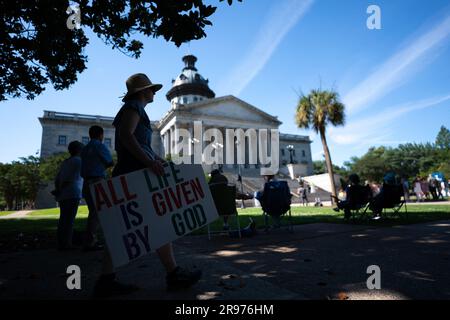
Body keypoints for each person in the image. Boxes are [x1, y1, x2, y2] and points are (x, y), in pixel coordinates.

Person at [92, 73, 201, 298]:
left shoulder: (137, 109)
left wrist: (158, 160)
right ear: (142, 92)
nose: (154, 93)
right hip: (134, 174)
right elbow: (125, 136)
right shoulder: (134, 107)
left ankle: (107, 280)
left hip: (134, 171)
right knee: (154, 222)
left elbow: (139, 143)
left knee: (125, 229)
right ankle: (173, 274)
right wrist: (150, 161)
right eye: (152, 89)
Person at [80, 125, 114, 251]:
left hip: (86, 181)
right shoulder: (99, 145)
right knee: (97, 212)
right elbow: (110, 162)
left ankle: (90, 240)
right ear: (101, 134)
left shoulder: (84, 149)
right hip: (97, 180)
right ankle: (90, 242)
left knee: (93, 212)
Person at [54, 141, 84, 250]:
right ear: (79, 150)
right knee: (69, 220)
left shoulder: (65, 162)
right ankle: (67, 244)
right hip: (72, 193)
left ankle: (61, 243)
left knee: (63, 219)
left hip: (63, 194)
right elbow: (70, 179)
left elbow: (58, 178)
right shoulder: (78, 161)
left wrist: (58, 189)